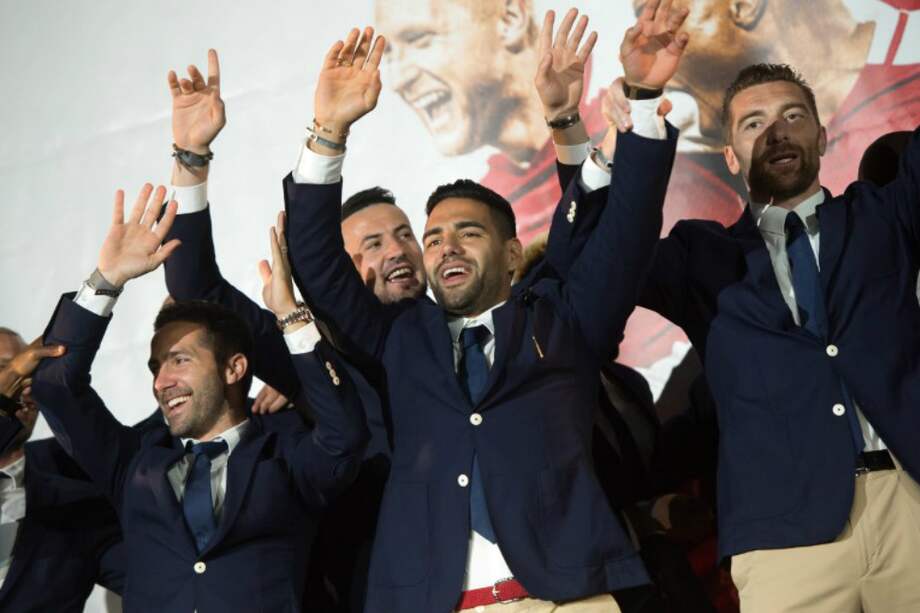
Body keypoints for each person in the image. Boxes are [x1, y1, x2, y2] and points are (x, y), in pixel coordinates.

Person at [283, 3, 685, 609]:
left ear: (511, 254)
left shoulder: (562, 319)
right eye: (434, 236)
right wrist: (328, 130)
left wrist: (646, 95)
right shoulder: (401, 339)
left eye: (467, 233)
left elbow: (626, 230)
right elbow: (315, 260)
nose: (445, 245)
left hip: (570, 597)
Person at [568, 61, 920, 611]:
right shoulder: (698, 256)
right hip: (783, 538)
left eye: (793, 116)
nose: (776, 132)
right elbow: (592, 263)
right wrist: (611, 136)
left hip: (910, 507)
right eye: (753, 124)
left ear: (823, 136)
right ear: (729, 155)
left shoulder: (885, 214)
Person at [30, 184, 369, 612]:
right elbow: (54, 386)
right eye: (156, 367)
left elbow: (346, 434)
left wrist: (291, 317)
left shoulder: (286, 458)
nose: (162, 381)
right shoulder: (134, 464)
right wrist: (106, 281)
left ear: (234, 368)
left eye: (179, 361)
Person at [0, 328, 126, 611]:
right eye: (5, 372)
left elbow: (162, 582)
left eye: (30, 374)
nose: (21, 385)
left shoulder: (79, 504)